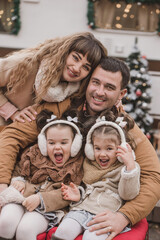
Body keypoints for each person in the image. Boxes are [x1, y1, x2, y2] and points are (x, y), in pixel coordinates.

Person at [0, 56, 159, 240]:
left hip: (82, 204)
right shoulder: (61, 106)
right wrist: (2, 185)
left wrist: (124, 216)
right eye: (95, 83)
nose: (99, 92)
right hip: (40, 191)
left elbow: (153, 176)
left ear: (121, 94)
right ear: (87, 83)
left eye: (109, 87)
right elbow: (12, 137)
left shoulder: (123, 126)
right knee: (7, 223)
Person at [52, 110, 140, 240]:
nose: (102, 154)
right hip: (82, 209)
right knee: (64, 230)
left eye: (109, 148)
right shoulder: (89, 163)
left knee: (92, 237)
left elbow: (128, 194)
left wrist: (130, 167)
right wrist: (78, 195)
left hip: (106, 214)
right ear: (90, 149)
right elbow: (86, 187)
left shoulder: (127, 167)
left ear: (120, 147)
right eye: (97, 148)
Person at [0, 109, 84, 240]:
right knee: (5, 221)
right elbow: (19, 168)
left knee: (26, 228)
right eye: (51, 143)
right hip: (21, 197)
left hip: (46, 209)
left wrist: (41, 199)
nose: (57, 147)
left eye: (63, 143)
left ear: (74, 145)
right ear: (44, 144)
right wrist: (19, 179)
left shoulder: (76, 165)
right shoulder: (34, 154)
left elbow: (68, 193)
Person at [0, 32, 107, 125]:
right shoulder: (27, 64)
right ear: (65, 53)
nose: (76, 68)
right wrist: (12, 112)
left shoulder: (75, 89)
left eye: (86, 67)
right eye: (75, 58)